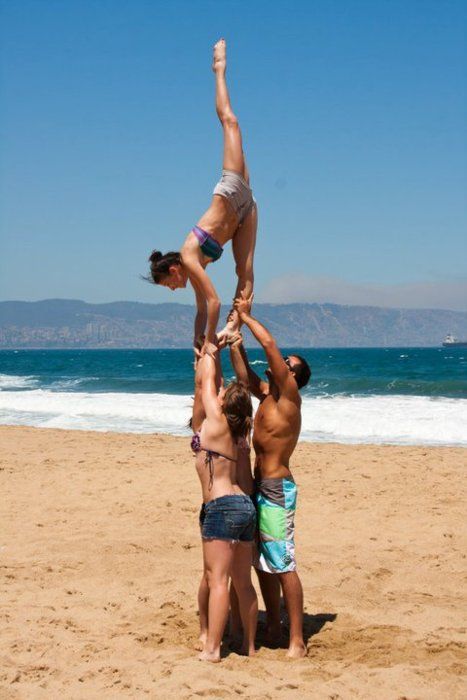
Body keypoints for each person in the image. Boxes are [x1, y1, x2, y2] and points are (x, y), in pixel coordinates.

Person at [147, 39, 258, 357]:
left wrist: (207, 341)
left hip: (232, 188)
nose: (171, 290)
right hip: (244, 212)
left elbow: (213, 302)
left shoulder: (190, 255)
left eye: (167, 285)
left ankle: (219, 69)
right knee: (245, 271)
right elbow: (201, 310)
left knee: (230, 122)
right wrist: (198, 338)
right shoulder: (194, 271)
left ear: (173, 271)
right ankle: (235, 326)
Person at [231, 292, 311, 658]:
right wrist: (235, 340)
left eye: (287, 363)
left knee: (282, 561)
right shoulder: (266, 396)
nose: (280, 362)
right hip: (257, 486)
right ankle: (275, 625)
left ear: (292, 374)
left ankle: (297, 640)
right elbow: (245, 375)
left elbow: (271, 344)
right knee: (262, 560)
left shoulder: (289, 397)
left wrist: (246, 315)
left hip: (278, 488)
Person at [191, 348, 257, 662]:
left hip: (222, 507)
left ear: (223, 405)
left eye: (223, 393)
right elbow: (216, 389)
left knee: (218, 579)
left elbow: (205, 383)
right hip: (245, 506)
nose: (217, 394)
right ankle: (249, 645)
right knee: (243, 582)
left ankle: (213, 649)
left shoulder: (216, 425)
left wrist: (208, 353)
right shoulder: (240, 431)